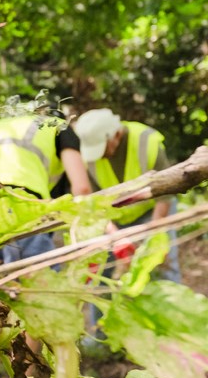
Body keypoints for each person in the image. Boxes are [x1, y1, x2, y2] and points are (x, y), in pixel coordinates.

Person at [0, 109, 90, 378]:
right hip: (20, 204)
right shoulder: (60, 129)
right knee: (36, 299)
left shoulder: (0, 124)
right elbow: (81, 186)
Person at [75, 107, 178, 280]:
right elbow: (93, 204)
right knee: (100, 274)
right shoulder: (88, 157)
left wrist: (154, 236)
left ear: (114, 135)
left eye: (102, 148)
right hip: (112, 218)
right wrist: (115, 236)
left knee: (163, 265)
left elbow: (165, 195)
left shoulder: (146, 141)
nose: (99, 156)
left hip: (151, 211)